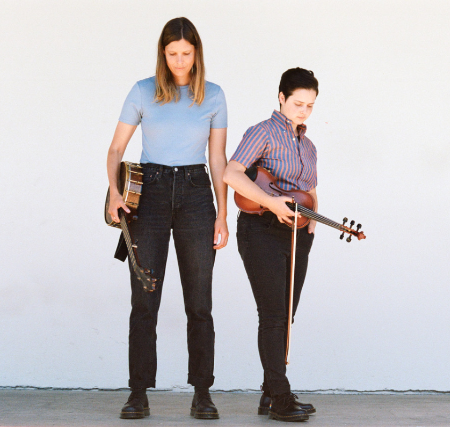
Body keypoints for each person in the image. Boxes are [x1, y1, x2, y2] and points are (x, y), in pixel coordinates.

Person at [106, 17, 228, 420]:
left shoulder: (213, 95)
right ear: (163, 53)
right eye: (172, 53)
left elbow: (217, 159)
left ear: (197, 54)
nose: (179, 61)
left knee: (200, 301)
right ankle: (138, 392)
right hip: (151, 192)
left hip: (196, 193)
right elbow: (115, 149)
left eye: (186, 54)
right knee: (144, 299)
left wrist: (222, 214)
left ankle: (203, 393)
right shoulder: (143, 91)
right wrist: (114, 191)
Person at [223, 68, 319, 422]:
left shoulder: (309, 146)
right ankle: (280, 396)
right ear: (281, 97)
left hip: (297, 234)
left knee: (286, 315)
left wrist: (312, 224)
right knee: (274, 315)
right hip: (260, 229)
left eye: (310, 106)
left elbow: (308, 190)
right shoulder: (262, 132)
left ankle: (270, 392)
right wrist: (272, 202)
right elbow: (231, 173)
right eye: (298, 103)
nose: (303, 111)